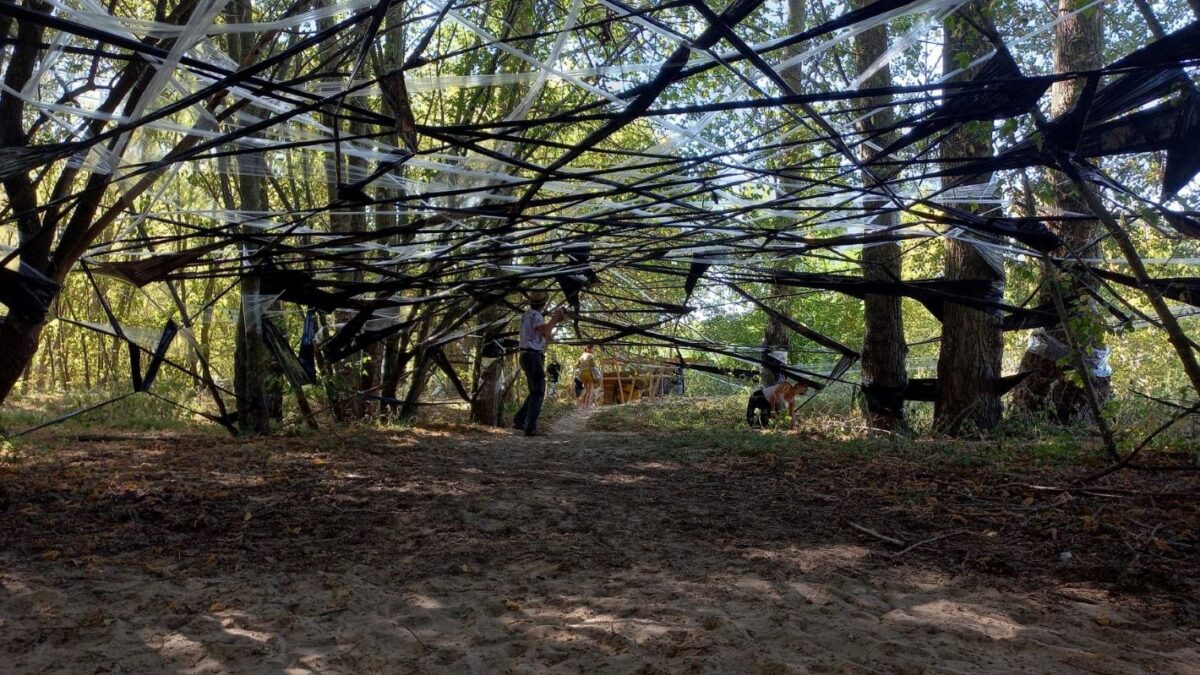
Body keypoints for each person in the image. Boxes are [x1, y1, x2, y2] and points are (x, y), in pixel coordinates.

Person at [513, 291, 565, 436]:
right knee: (539, 391)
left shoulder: (526, 315)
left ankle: (519, 419)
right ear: (543, 303)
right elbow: (545, 332)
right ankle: (530, 428)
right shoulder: (536, 315)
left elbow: (543, 334)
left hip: (526, 355)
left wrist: (554, 320)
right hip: (532, 355)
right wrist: (555, 318)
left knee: (534, 390)